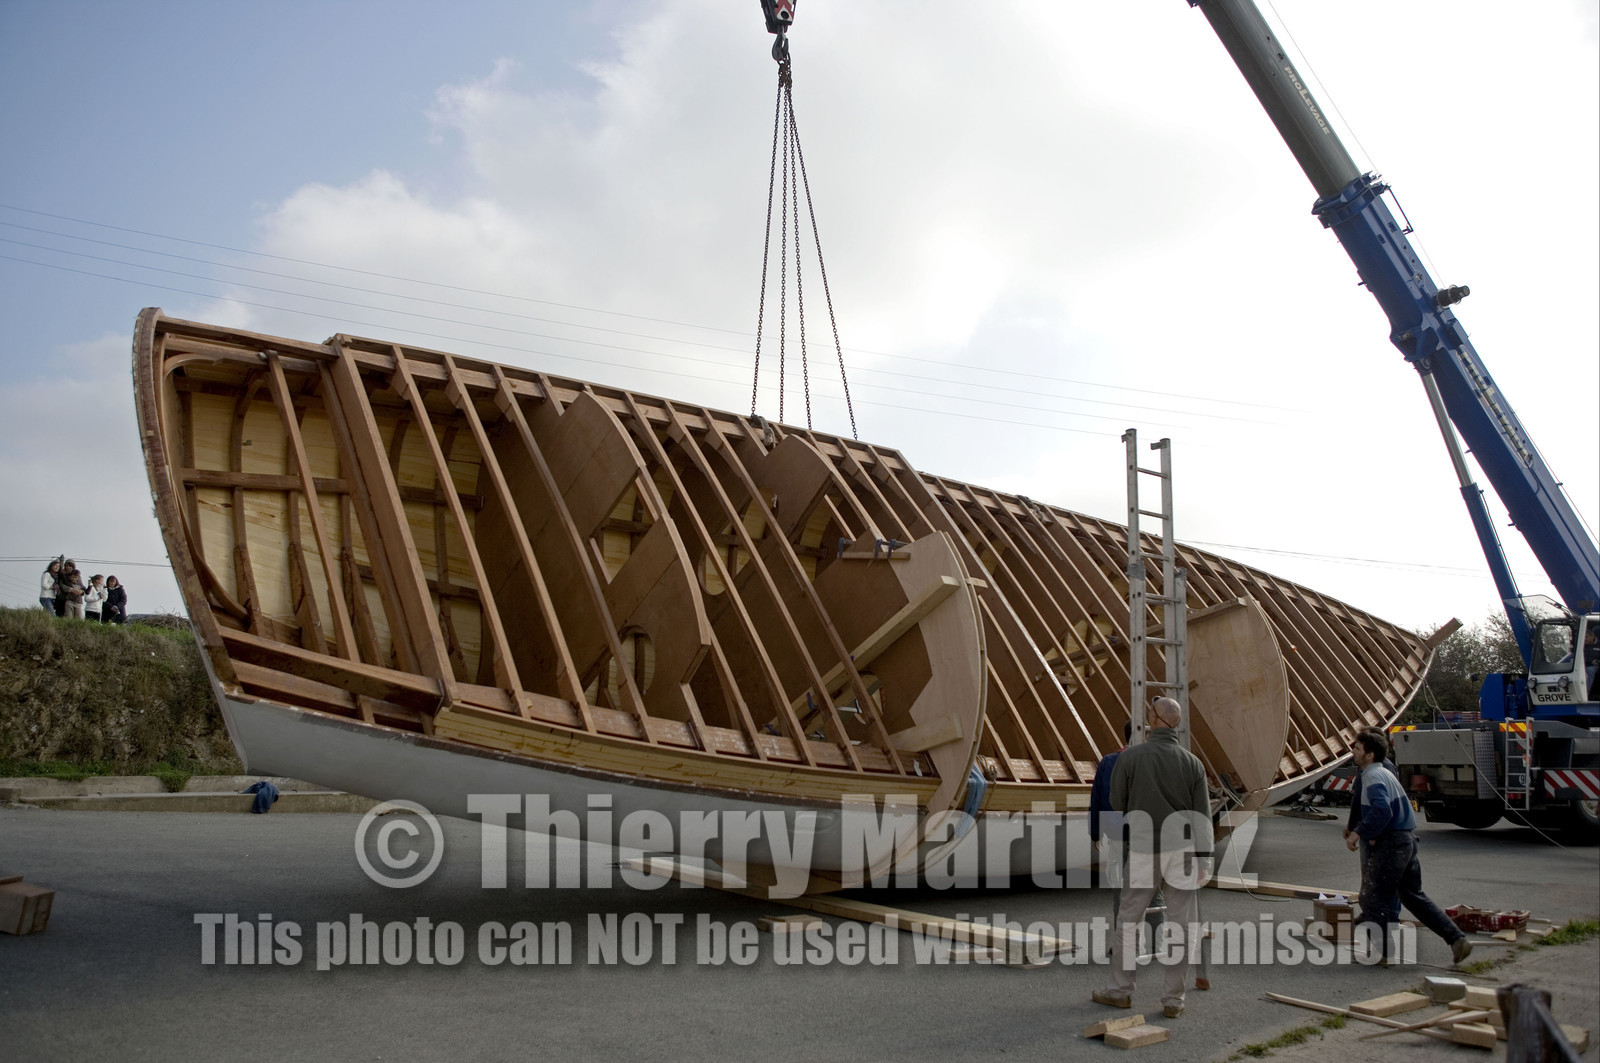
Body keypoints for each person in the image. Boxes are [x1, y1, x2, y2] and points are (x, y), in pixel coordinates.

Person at [1092, 697, 1211, 1019]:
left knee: (1129, 920)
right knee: (1182, 926)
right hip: (1182, 852)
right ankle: (1173, 1000)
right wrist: (1204, 859)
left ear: (1155, 720)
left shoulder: (1130, 758)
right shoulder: (1192, 763)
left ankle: (1120, 991)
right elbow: (1202, 816)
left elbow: (1117, 802)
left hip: (1144, 850)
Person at [1346, 730, 1472, 965]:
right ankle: (1457, 940)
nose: (1353, 751)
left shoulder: (1372, 776)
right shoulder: (1384, 772)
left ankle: (1383, 954)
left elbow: (1382, 810)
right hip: (1405, 840)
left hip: (1391, 844)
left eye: (1357, 748)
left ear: (1370, 755)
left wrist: (1358, 833)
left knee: (1372, 898)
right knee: (1413, 897)